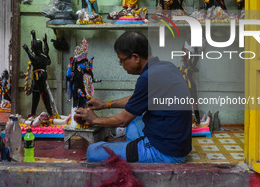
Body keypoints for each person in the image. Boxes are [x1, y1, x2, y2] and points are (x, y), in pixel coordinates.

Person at [75, 31, 192, 163]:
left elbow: (122, 120)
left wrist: (94, 120)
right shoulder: (167, 67)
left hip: (165, 152)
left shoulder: (148, 77)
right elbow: (136, 100)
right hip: (177, 143)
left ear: (135, 58)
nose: (121, 65)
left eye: (122, 60)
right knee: (134, 123)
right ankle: (133, 153)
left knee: (93, 151)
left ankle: (140, 153)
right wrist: (105, 104)